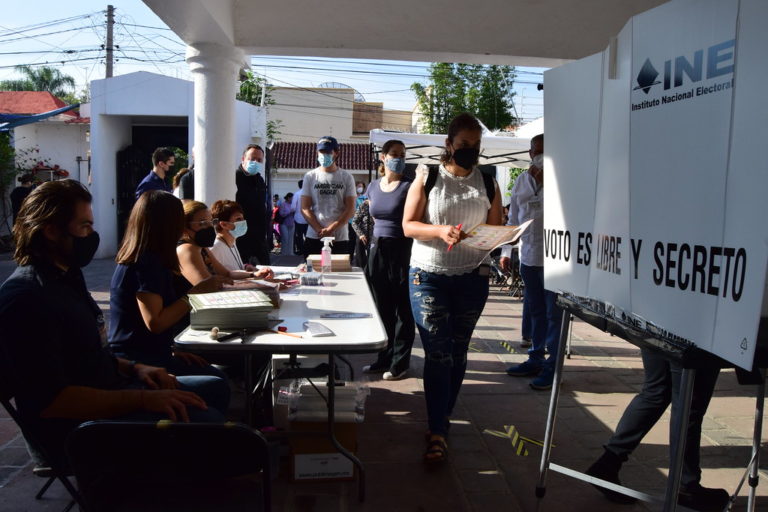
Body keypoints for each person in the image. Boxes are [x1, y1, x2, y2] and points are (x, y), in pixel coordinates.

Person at [0, 180, 228, 467]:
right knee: (212, 423)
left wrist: (137, 368)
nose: (92, 235)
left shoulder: (65, 276)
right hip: (80, 431)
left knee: (214, 392)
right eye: (84, 227)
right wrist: (143, 400)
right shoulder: (26, 299)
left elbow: (90, 352)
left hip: (113, 388)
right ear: (51, 231)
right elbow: (53, 402)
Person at [403, 113, 502, 463]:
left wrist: (501, 238)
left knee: (458, 352)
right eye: (464, 145)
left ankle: (441, 418)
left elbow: (496, 226)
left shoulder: (488, 181)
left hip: (472, 277)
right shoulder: (428, 177)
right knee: (438, 352)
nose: (470, 152)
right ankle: (437, 429)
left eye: (476, 147)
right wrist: (440, 231)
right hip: (429, 275)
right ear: (449, 144)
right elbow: (408, 225)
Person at [108, 190, 230, 383]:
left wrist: (172, 351)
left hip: (156, 354)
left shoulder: (152, 258)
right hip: (138, 362)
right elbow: (155, 323)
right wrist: (193, 295)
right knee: (216, 384)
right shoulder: (145, 263)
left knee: (215, 376)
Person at [586, 351, 727, 511]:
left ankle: (608, 463)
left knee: (655, 393)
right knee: (687, 405)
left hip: (659, 331)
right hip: (696, 337)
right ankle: (686, 485)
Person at [503, 137, 564, 391]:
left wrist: (546, 180)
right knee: (536, 312)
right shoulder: (521, 180)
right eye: (536, 152)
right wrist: (507, 250)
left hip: (556, 259)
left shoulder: (562, 178)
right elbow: (513, 220)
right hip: (529, 256)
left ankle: (553, 368)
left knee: (554, 316)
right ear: (529, 153)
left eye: (544, 152)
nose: (539, 156)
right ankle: (535, 358)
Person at [360, 139, 415, 381]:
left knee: (403, 308)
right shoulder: (372, 186)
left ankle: (399, 362)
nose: (399, 158)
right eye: (394, 153)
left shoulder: (410, 187)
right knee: (382, 307)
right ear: (383, 157)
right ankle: (383, 358)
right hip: (377, 249)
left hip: (402, 249)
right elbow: (367, 217)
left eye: (402, 154)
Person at [177, 200, 273, 286]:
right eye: (203, 223)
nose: (209, 227)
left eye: (211, 222)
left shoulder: (202, 247)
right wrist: (263, 286)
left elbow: (227, 274)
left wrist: (255, 274)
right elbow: (207, 287)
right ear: (185, 227)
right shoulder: (187, 249)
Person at [300, 136, 356, 257]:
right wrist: (320, 230)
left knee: (338, 274)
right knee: (313, 273)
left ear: (336, 153)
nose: (324, 155)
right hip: (314, 236)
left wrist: (331, 229)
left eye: (328, 152)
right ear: (317, 152)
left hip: (339, 238)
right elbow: (305, 207)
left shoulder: (346, 177)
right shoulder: (310, 176)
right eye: (321, 151)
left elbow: (350, 209)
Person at [235, 144, 271, 265]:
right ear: (243, 159)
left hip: (259, 235)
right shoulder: (235, 178)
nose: (255, 162)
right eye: (252, 158)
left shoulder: (259, 180)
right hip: (241, 236)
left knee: (266, 269)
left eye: (259, 160)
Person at [210, 199, 258, 272]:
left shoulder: (232, 242)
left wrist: (246, 267)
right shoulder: (216, 248)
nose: (243, 222)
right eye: (238, 219)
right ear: (224, 224)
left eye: (243, 218)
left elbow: (232, 267)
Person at [292, 180, 308, 255]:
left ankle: (301, 250)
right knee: (307, 235)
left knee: (299, 235)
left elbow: (293, 207)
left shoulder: (297, 194)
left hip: (298, 218)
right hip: (308, 218)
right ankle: (308, 250)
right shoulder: (309, 194)